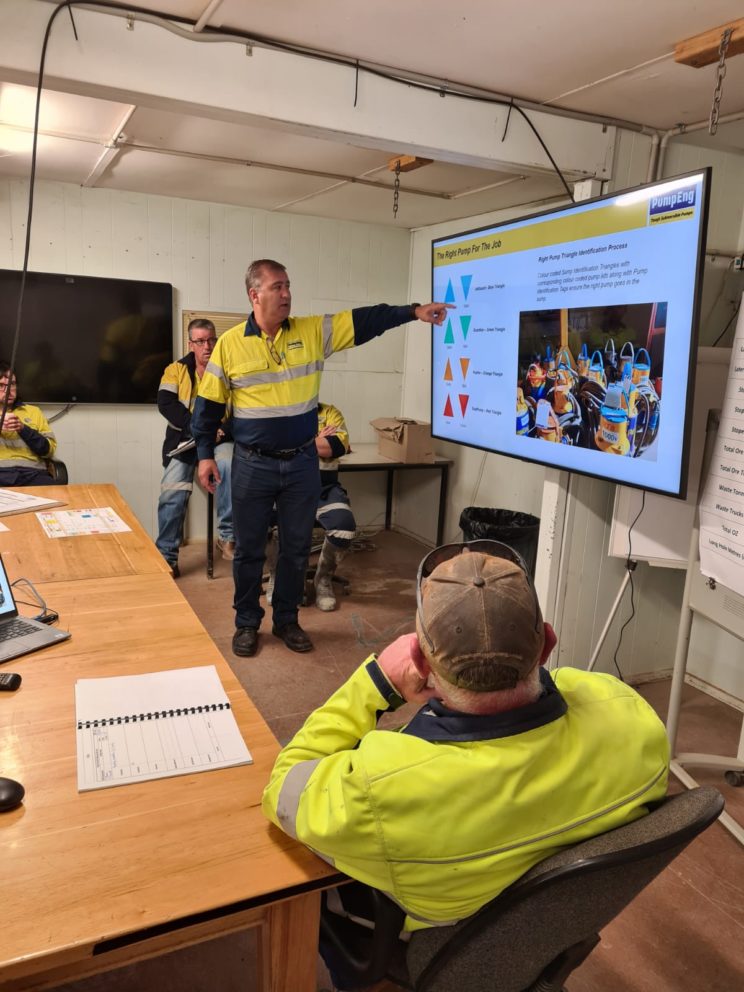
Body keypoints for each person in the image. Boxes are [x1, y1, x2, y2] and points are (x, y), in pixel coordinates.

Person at [262, 540, 670, 988]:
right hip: (538, 931)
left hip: (434, 928)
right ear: (548, 643)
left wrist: (376, 682)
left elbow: (283, 786)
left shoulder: (380, 789)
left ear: (417, 659)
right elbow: (571, 689)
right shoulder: (634, 720)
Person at [191, 258, 451, 658]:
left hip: (300, 465)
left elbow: (364, 321)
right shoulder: (228, 345)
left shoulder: (312, 332)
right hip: (252, 465)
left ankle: (287, 620)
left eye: (288, 285)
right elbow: (207, 409)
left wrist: (412, 312)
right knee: (248, 550)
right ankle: (246, 623)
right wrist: (205, 455)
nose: (286, 293)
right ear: (254, 294)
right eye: (277, 286)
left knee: (296, 548)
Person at [155, 319, 234, 577]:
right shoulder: (175, 370)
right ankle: (167, 555)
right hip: (184, 442)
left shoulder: (229, 369)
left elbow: (243, 409)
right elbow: (166, 403)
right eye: (200, 341)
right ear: (191, 344)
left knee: (229, 466)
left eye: (211, 340)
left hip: (219, 440)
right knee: (172, 492)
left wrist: (222, 431)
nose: (207, 346)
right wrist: (199, 430)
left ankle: (228, 538)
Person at [265, 400, 355, 612]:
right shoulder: (277, 412)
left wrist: (295, 444)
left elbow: (337, 446)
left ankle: (322, 579)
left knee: (344, 527)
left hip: (324, 488)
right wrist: (315, 440)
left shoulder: (330, 412)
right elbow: (271, 445)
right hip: (282, 489)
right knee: (257, 521)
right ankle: (277, 575)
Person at [0, 362, 57, 487]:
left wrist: (23, 428)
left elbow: (48, 451)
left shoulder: (33, 411)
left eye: (12, 384)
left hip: (33, 474)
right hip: (2, 474)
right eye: (1, 385)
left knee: (61, 496)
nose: (8, 390)